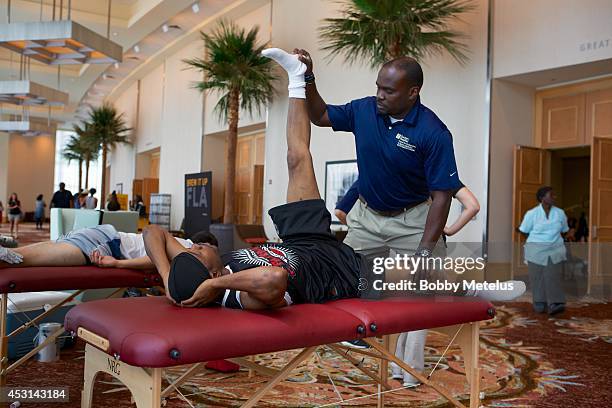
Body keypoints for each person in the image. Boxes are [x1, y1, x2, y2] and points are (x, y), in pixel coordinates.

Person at [278, 46, 479, 385]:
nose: (379, 95)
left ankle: (410, 371)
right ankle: (363, 338)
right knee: (345, 275)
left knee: (421, 292)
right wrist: (309, 78)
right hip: (368, 217)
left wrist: (424, 253)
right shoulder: (365, 111)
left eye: (388, 90)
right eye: (378, 87)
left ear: (413, 92)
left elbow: (442, 196)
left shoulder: (433, 132)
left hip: (413, 218)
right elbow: (320, 115)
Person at [0, 222, 218, 269]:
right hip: (106, 243)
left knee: (12, 256)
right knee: (18, 261)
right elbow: (153, 256)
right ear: (202, 245)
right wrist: (116, 264)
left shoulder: (186, 250)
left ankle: (6, 248)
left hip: (103, 236)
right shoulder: (186, 247)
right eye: (211, 249)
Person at [519, 186, 568, 315]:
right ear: (542, 198)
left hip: (555, 250)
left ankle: (555, 304)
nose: (554, 197)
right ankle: (540, 304)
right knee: (537, 278)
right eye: (551, 195)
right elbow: (524, 231)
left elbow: (564, 230)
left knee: (553, 277)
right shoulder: (532, 214)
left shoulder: (560, 213)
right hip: (535, 251)